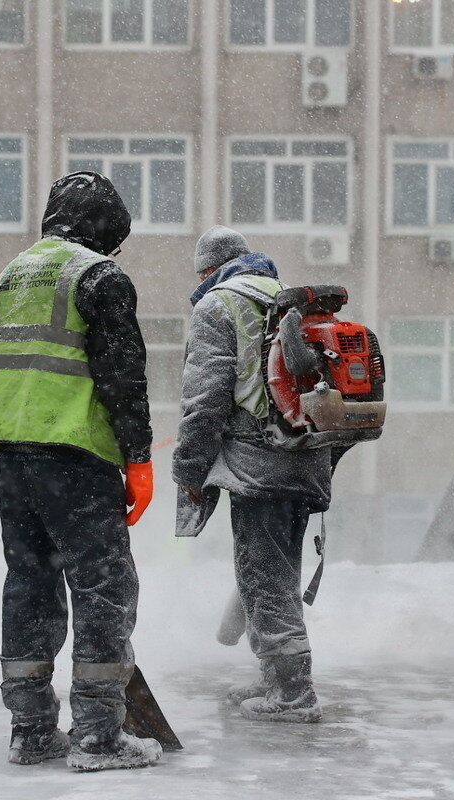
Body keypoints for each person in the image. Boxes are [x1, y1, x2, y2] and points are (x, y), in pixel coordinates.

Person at [0, 171, 160, 771]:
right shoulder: (98, 277)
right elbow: (121, 378)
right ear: (102, 229)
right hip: (77, 459)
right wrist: (139, 459)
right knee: (105, 589)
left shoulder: (11, 275)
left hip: (14, 458)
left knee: (28, 586)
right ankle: (98, 736)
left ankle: (30, 730)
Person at [173, 225, 332, 723]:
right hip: (305, 453)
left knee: (263, 574)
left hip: (258, 460)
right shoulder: (287, 300)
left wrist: (188, 469)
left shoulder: (217, 306)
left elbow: (205, 400)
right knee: (277, 570)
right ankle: (275, 678)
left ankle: (292, 693)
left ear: (207, 269)